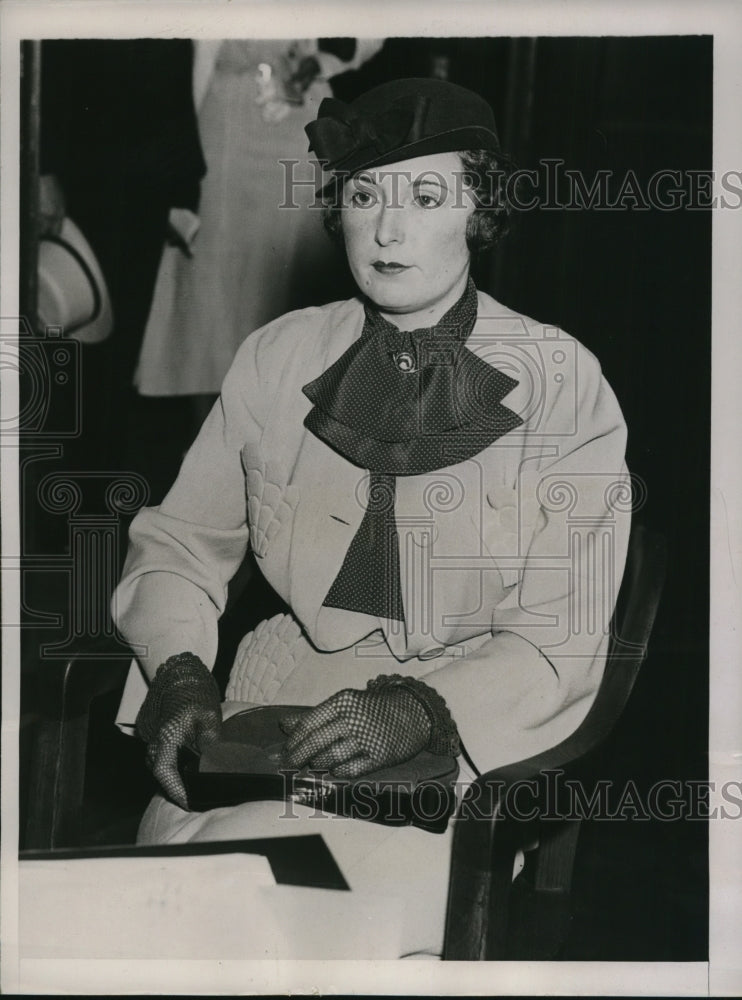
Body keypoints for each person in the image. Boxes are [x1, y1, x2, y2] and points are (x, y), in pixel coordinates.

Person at [112, 77, 631, 958]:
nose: (387, 230)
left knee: (269, 916)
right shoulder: (276, 357)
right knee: (174, 903)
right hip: (261, 726)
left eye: (426, 197)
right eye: (363, 196)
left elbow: (562, 630)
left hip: (453, 764)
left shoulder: (562, 380)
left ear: (481, 209)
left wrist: (428, 708)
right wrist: (179, 670)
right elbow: (178, 545)